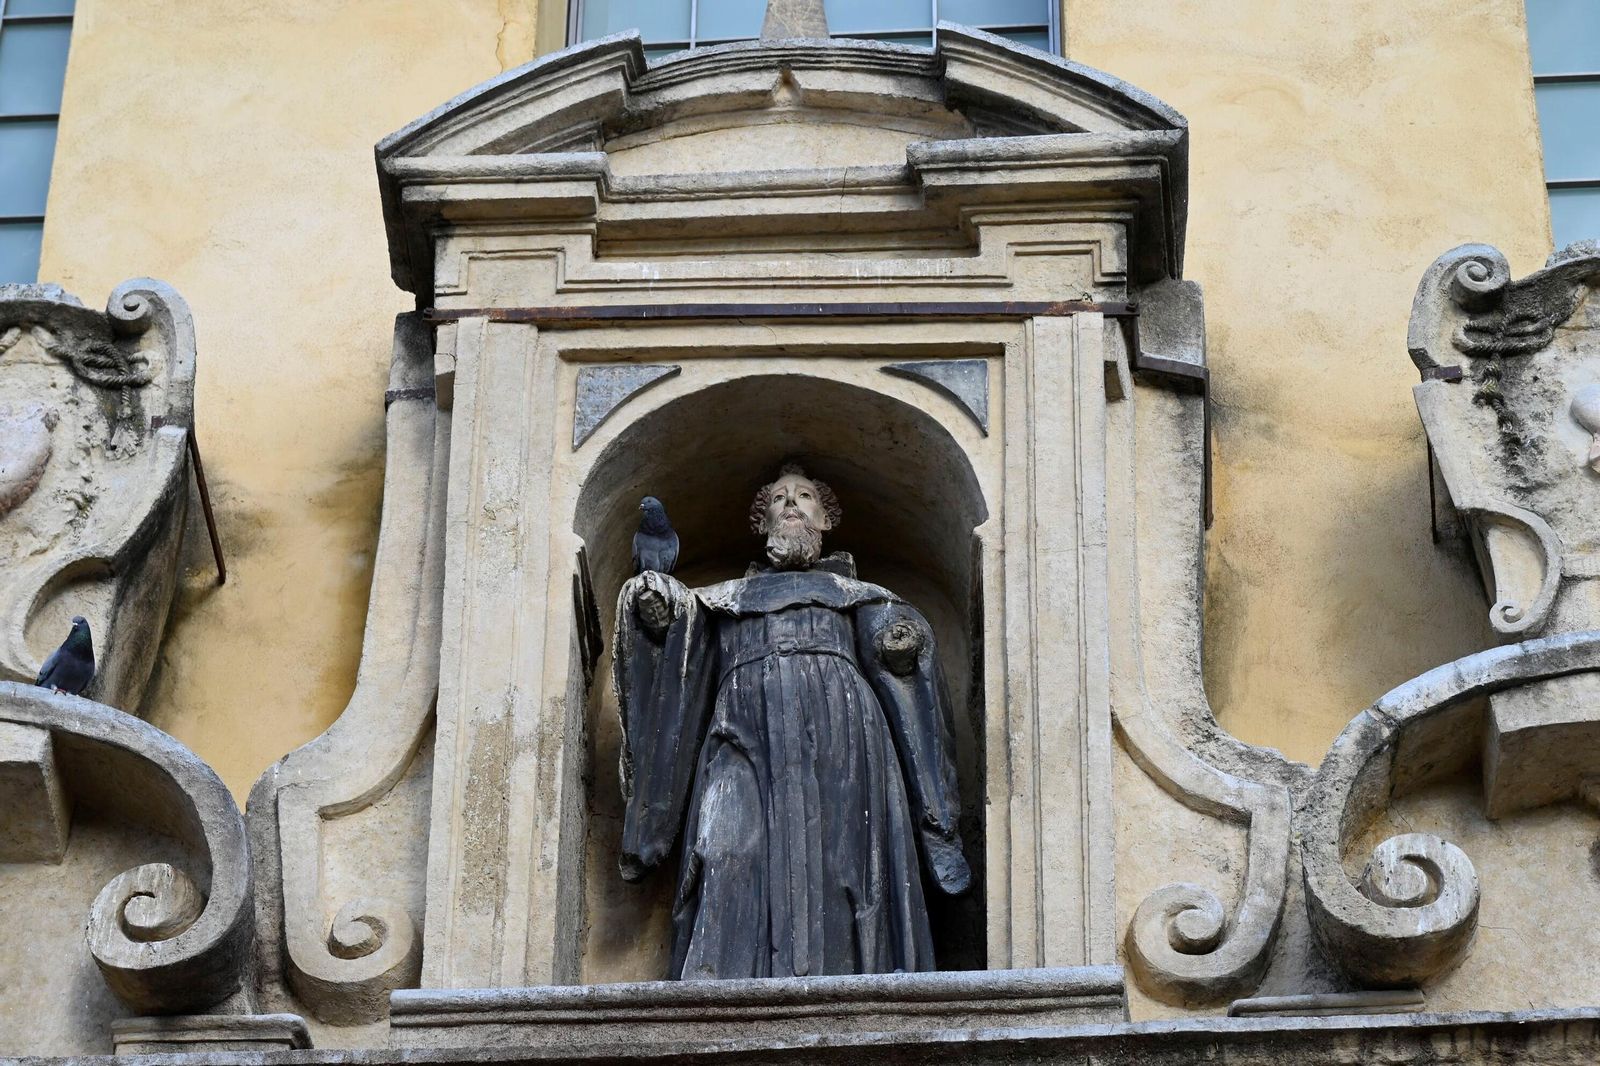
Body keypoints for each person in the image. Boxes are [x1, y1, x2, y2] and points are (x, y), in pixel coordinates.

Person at [613, 463, 969, 980]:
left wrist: (902, 643)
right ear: (762, 522)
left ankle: (856, 983)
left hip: (843, 739)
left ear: (826, 519)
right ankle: (720, 986)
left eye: (804, 497)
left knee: (847, 861)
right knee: (724, 845)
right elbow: (682, 651)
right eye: (779, 499)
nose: (792, 505)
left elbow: (898, 644)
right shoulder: (722, 601)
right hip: (739, 734)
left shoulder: (857, 596)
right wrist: (659, 607)